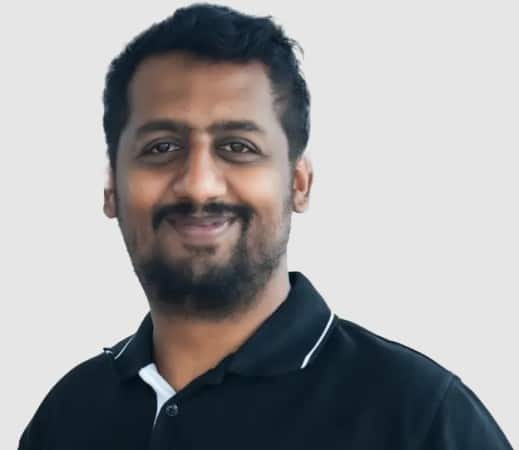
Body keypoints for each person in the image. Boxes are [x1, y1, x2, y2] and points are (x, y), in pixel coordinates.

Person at [19, 4, 512, 449]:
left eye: (238, 147)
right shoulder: (67, 417)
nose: (199, 186)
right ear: (112, 188)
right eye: (161, 147)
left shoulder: (421, 419)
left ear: (298, 183)